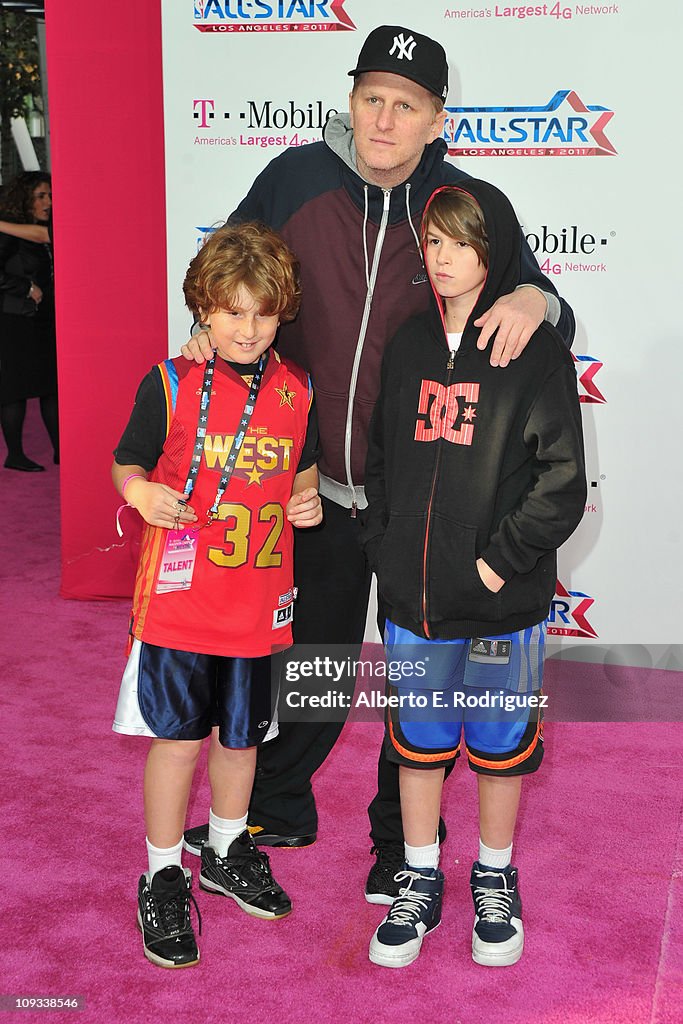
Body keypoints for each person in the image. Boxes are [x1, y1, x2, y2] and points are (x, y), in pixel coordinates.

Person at [181, 24, 576, 904]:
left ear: (437, 119)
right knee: (313, 662)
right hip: (313, 490)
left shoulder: (461, 201)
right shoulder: (295, 176)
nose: (384, 120)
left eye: (406, 106)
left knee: (412, 684)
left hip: (419, 505)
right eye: (371, 99)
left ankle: (403, 845)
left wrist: (529, 294)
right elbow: (228, 272)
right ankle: (276, 808)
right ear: (350, 98)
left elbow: (550, 308)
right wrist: (205, 325)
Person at [362, 181, 586, 969]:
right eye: (433, 242)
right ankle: (418, 877)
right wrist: (385, 546)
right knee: (418, 745)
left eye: (463, 242)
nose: (445, 257)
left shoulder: (535, 348)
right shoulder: (409, 342)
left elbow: (561, 480)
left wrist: (496, 566)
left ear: (494, 253)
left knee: (498, 747)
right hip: (414, 602)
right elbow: (382, 458)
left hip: (501, 606)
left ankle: (494, 874)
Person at [111, 222, 322, 968]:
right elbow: (127, 459)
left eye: (262, 313)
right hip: (180, 602)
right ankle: (163, 871)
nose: (247, 328)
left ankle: (228, 849)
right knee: (178, 739)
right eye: (231, 311)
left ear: (280, 313)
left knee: (241, 741)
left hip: (257, 604)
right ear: (203, 309)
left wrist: (307, 503)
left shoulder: (297, 390)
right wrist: (139, 493)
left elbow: (301, 474)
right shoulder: (169, 381)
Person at [0, 172, 58, 471]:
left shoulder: (40, 228)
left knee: (52, 386)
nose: (48, 202)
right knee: (15, 389)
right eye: (40, 197)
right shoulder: (9, 233)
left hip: (43, 320)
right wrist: (23, 288)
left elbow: (47, 236)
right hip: (14, 320)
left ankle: (62, 450)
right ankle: (15, 455)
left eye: (50, 195)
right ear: (25, 199)